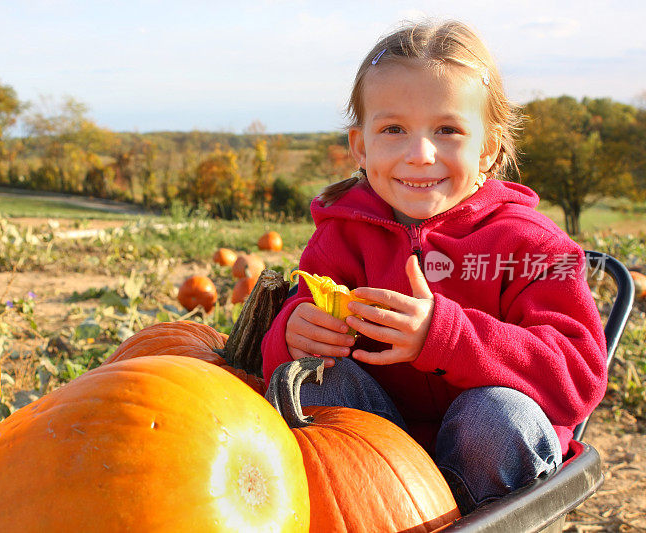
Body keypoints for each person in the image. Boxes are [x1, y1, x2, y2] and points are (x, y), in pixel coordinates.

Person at [260, 19, 607, 515]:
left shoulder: (530, 245)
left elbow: (579, 375)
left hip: (487, 474)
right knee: (313, 379)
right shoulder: (342, 236)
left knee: (495, 416)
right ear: (361, 146)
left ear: (488, 147)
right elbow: (290, 345)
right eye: (393, 129)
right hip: (375, 481)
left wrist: (443, 337)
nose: (420, 154)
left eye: (447, 130)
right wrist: (292, 334)